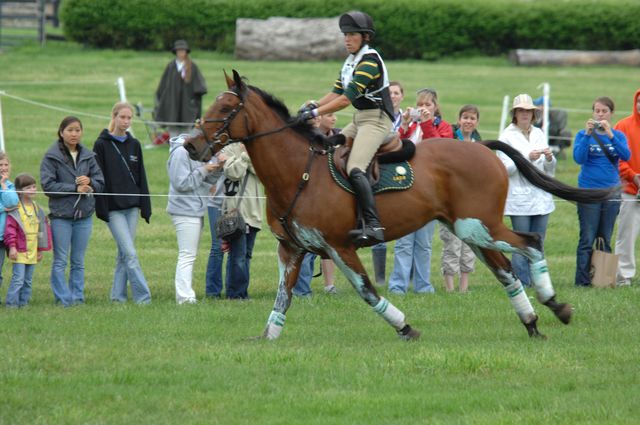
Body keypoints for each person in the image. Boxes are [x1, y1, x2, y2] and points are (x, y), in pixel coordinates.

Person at [296, 11, 394, 247]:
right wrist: (314, 104)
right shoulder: (350, 61)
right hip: (360, 118)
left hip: (377, 119)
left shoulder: (370, 61)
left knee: (355, 168)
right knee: (326, 147)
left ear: (365, 37)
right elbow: (336, 92)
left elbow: (344, 100)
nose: (346, 39)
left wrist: (315, 113)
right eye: (345, 35)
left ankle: (373, 224)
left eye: (351, 35)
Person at [388, 88, 453, 295]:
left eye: (428, 105)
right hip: (406, 187)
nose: (423, 108)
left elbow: (438, 150)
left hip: (431, 192)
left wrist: (426, 123)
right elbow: (394, 145)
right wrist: (406, 124)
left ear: (436, 107)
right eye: (420, 105)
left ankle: (423, 285)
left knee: (424, 244)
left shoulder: (443, 127)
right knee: (404, 242)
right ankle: (398, 286)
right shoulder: (412, 126)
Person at [40, 116, 105, 306]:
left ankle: (77, 298)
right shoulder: (51, 156)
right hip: (61, 217)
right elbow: (48, 185)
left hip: (84, 216)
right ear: (61, 132)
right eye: (70, 130)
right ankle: (63, 299)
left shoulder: (89, 156)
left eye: (77, 130)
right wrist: (74, 188)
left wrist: (90, 182)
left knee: (78, 261)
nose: (74, 133)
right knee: (60, 260)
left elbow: (101, 183)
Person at [93, 102, 152, 304]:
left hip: (132, 208)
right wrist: (101, 209)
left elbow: (141, 176)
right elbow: (98, 179)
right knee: (131, 254)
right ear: (114, 117)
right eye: (122, 117)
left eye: (129, 118)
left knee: (123, 255)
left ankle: (117, 298)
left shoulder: (134, 144)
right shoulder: (101, 144)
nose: (126, 122)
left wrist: (145, 207)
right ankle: (144, 298)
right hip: (113, 210)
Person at [498, 94, 556, 287]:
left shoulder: (539, 133)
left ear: (533, 114)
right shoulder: (506, 136)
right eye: (521, 111)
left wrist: (549, 158)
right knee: (521, 244)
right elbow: (505, 169)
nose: (524, 114)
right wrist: (526, 158)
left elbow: (549, 170)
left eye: (528, 111)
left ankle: (539, 282)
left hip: (541, 196)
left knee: (538, 244)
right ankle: (522, 283)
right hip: (519, 198)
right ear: (515, 114)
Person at [573, 96, 630, 287]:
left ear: (611, 113)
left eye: (604, 111)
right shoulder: (583, 135)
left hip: (611, 192)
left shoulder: (618, 136)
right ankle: (582, 281)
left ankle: (603, 280)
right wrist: (588, 135)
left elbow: (626, 155)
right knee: (587, 237)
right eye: (597, 111)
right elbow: (579, 158)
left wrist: (611, 135)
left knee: (605, 237)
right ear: (592, 113)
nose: (600, 114)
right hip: (589, 191)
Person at [167, 134, 223, 304]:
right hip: (184, 210)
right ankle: (184, 297)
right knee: (187, 254)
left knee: (189, 254)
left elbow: (206, 181)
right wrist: (204, 169)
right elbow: (181, 183)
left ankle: (186, 295)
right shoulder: (180, 153)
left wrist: (218, 168)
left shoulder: (200, 152)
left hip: (197, 209)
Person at [440, 105, 480, 293]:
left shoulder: (479, 145)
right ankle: (449, 286)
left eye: (472, 118)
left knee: (469, 244)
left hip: (471, 201)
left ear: (476, 122)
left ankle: (464, 287)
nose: (468, 121)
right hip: (451, 201)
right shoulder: (450, 141)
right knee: (452, 243)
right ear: (459, 119)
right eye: (465, 117)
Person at [371, 80, 404, 286]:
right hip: (381, 169)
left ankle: (406, 274)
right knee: (379, 220)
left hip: (403, 169)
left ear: (402, 96)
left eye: (396, 93)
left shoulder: (406, 118)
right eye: (389, 93)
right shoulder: (380, 116)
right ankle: (381, 278)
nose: (393, 96)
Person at [221, 143, 262, 299]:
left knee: (246, 256)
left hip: (254, 211)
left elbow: (262, 172)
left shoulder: (258, 148)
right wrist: (246, 156)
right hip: (236, 211)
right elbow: (233, 172)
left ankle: (240, 292)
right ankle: (236, 295)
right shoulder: (228, 149)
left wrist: (240, 160)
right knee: (238, 256)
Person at [4, 173, 52, 307]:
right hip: (19, 250)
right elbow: (10, 230)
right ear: (19, 191)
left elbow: (42, 229)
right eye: (28, 188)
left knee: (28, 280)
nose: (32, 190)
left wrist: (40, 249)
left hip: (32, 251)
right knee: (18, 279)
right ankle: (11, 304)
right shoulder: (16, 209)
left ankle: (23, 304)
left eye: (34, 187)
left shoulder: (37, 208)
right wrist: (12, 247)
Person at [154, 40, 208, 137]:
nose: (181, 53)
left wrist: (193, 101)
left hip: (187, 107)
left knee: (186, 135)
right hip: (172, 107)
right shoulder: (171, 67)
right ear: (175, 52)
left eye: (183, 51)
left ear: (186, 52)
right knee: (173, 133)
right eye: (179, 51)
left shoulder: (192, 67)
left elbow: (200, 87)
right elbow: (162, 87)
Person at [614, 90, 640, 286]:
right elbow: (617, 159)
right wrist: (633, 177)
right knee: (626, 235)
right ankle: (624, 277)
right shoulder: (622, 126)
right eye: (638, 101)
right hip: (630, 190)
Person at [0, 152, 19, 303]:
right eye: (0, 165)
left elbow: (12, 202)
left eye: (6, 165)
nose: (3, 168)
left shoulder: (10, 185)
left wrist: (4, 185)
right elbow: (5, 206)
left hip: (6, 235)